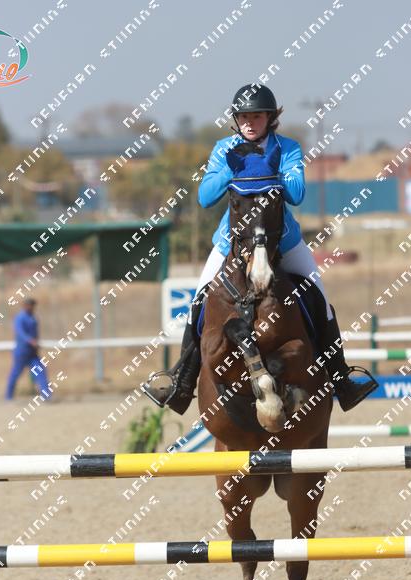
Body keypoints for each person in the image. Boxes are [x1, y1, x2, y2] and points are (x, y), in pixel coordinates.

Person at [143, 84, 378, 414]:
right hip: (231, 244)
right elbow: (206, 197)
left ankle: (342, 380)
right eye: (243, 117)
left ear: (270, 118)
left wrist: (268, 168)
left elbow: (296, 194)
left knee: (320, 301)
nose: (249, 123)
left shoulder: (288, 148)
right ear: (236, 120)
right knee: (199, 301)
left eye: (256, 116)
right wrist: (234, 166)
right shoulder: (224, 148)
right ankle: (181, 383)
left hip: (283, 242)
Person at [5, 298, 51, 400]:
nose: (31, 307)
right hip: (22, 352)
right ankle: (8, 396)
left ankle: (47, 396)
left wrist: (36, 343)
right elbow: (20, 332)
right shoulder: (20, 318)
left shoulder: (33, 318)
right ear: (25, 306)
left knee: (40, 372)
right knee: (15, 373)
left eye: (33, 306)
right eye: (29, 305)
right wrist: (30, 341)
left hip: (32, 352)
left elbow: (35, 333)